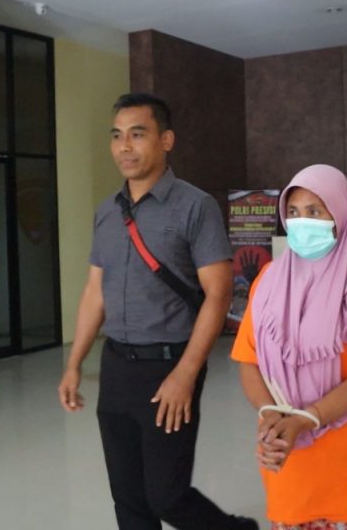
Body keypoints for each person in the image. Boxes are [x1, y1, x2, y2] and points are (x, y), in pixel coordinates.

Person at [56, 93, 256, 530]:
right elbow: (95, 292)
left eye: (137, 134)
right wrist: (74, 364)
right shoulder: (106, 212)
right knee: (128, 498)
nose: (124, 147)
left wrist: (186, 373)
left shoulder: (195, 206)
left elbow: (218, 294)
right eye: (117, 136)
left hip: (169, 365)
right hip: (116, 365)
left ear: (166, 140)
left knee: (166, 495)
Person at [232, 164, 347, 529]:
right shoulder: (268, 280)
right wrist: (270, 414)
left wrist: (308, 418)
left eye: (314, 211)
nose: (302, 222)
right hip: (287, 450)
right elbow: (248, 360)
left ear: (339, 214)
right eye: (293, 212)